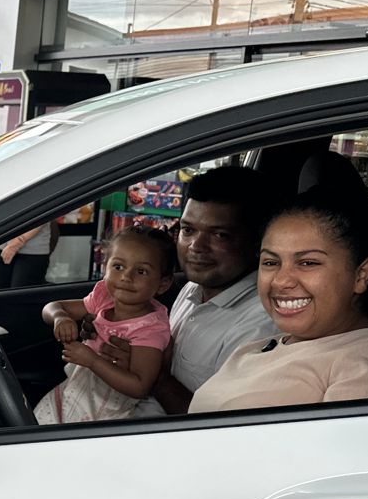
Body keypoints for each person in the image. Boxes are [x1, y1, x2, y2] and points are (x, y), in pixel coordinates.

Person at [190, 190, 368, 412]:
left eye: (308, 263)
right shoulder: (257, 348)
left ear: (361, 275)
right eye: (271, 262)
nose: (280, 281)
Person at [106, 166, 281, 417]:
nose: (196, 246)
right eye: (188, 230)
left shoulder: (261, 325)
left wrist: (153, 376)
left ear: (258, 242)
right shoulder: (193, 288)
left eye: (219, 235)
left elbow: (223, 427)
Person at [35, 225, 175, 424]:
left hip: (107, 411)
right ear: (105, 266)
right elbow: (52, 307)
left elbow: (140, 386)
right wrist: (60, 317)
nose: (126, 276)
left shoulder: (150, 328)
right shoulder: (103, 299)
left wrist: (92, 360)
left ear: (163, 284)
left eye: (141, 271)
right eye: (118, 267)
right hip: (75, 390)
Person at [0, 222, 57, 287]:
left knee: (20, 294)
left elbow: (40, 215)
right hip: (1, 244)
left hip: (33, 249)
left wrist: (18, 242)